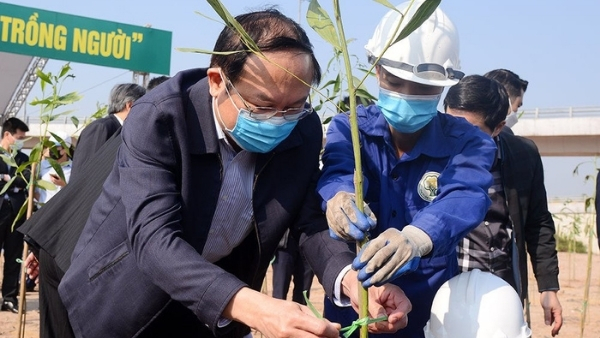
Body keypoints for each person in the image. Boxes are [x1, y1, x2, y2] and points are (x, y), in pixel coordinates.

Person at [57, 9, 411, 338]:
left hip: (217, 312)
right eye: (262, 106)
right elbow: (154, 240)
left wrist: (350, 279)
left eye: (293, 107)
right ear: (216, 81)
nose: (278, 120)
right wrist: (257, 308)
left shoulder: (302, 131)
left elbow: (308, 222)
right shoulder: (162, 117)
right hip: (127, 301)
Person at [317, 2, 496, 337]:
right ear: (377, 70)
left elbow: (464, 195)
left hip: (429, 310)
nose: (407, 96)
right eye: (397, 81)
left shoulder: (469, 142)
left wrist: (417, 237)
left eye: (424, 87)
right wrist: (337, 198)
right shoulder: (350, 128)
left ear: (446, 84)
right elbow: (339, 169)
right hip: (356, 304)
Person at [20, 83, 145, 338]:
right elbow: (80, 191)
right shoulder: (103, 128)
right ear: (131, 105)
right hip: (73, 247)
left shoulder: (129, 135)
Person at [444, 75, 562, 337]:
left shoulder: (523, 155)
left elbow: (538, 223)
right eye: (451, 125)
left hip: (503, 288)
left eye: (471, 130)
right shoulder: (432, 155)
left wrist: (548, 287)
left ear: (498, 127)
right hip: (448, 289)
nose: (458, 137)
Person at [70, 83, 146, 178]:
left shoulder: (127, 131)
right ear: (130, 105)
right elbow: (83, 171)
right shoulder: (101, 128)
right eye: (144, 106)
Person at [0, 117, 30, 313]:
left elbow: (27, 179)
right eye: (19, 137)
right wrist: (14, 180)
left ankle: (9, 298)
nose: (22, 141)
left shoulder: (24, 159)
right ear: (7, 135)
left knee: (14, 256)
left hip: (17, 213)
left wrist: (8, 179)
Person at [271, 229, 314, 304]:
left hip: (308, 238)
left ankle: (299, 315)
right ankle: (278, 315)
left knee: (303, 293)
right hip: (285, 241)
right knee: (279, 294)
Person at [36, 131, 73, 206]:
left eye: (55, 147)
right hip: (42, 210)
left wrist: (64, 185)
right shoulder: (42, 165)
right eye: (50, 147)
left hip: (62, 210)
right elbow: (32, 185)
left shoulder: (74, 168)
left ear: (65, 149)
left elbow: (76, 192)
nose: (52, 150)